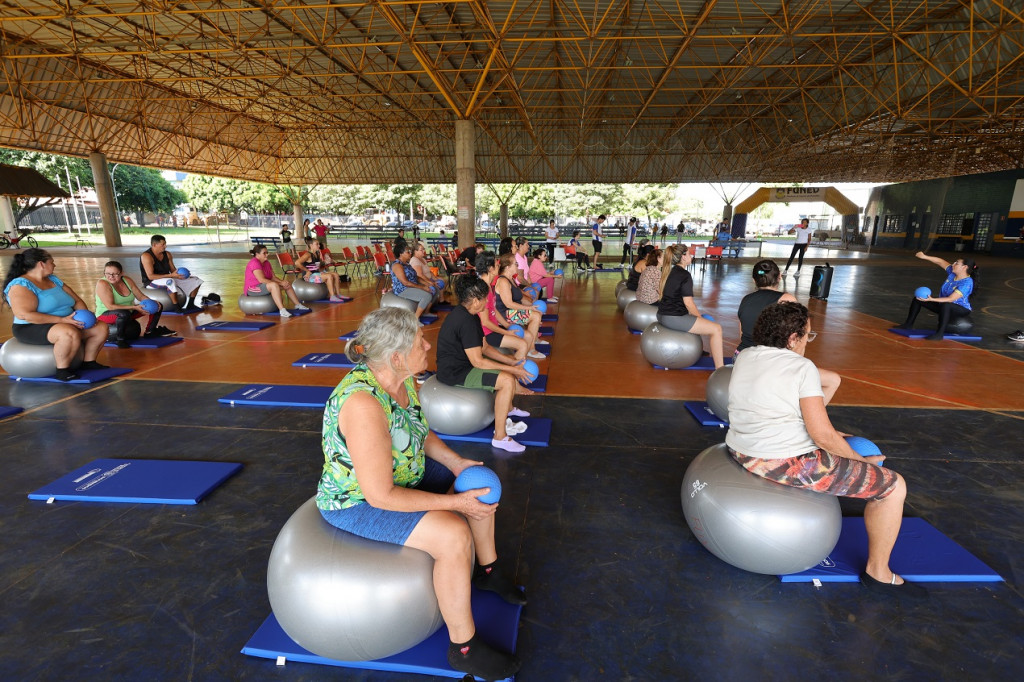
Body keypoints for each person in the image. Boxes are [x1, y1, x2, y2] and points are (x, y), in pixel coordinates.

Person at [316, 308, 524, 681]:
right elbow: (380, 495)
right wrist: (454, 504)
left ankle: (488, 571)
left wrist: (458, 463)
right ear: (395, 357)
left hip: (402, 473)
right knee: (453, 533)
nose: (428, 345)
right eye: (419, 342)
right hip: (358, 501)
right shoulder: (363, 404)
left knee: (478, 478)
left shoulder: (403, 379)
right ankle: (463, 648)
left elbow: (419, 432)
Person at [726, 301, 925, 598]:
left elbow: (779, 405)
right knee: (894, 487)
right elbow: (822, 436)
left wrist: (837, 441)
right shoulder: (801, 367)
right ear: (793, 338)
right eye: (808, 335)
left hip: (742, 448)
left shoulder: (747, 355)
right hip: (781, 461)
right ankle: (879, 574)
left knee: (839, 440)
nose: (809, 341)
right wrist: (865, 465)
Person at [437, 275, 536, 453]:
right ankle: (500, 437)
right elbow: (478, 361)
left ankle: (508, 408)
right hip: (456, 372)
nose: (487, 301)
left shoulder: (470, 314)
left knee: (506, 373)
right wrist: (512, 369)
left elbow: (484, 348)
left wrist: (512, 361)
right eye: (484, 298)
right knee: (506, 380)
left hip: (466, 364)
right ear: (475, 300)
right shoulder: (465, 320)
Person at [3, 248, 110, 381]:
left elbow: (76, 300)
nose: (54, 265)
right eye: (51, 262)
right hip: (31, 326)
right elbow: (25, 315)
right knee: (68, 332)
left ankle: (88, 362)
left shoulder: (53, 280)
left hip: (65, 321)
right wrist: (62, 320)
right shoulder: (21, 285)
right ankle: (63, 370)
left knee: (100, 327)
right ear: (41, 264)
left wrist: (85, 316)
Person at [656, 245, 725, 368]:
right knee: (716, 329)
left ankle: (698, 350)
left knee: (694, 319)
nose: (691, 256)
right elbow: (688, 303)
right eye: (689, 254)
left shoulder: (668, 271)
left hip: (662, 315)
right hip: (673, 318)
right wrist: (700, 318)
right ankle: (720, 368)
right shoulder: (684, 275)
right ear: (683, 257)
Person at [897, 251, 978, 340]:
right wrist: (924, 257)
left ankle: (939, 334)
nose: (953, 264)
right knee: (918, 299)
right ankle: (908, 324)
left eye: (956, 263)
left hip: (961, 309)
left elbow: (951, 299)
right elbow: (940, 261)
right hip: (944, 306)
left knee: (946, 305)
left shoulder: (967, 282)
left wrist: (932, 299)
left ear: (964, 267)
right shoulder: (952, 272)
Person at [95, 260, 175, 347]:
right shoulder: (103, 283)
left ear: (121, 273)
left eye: (115, 274)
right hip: (105, 315)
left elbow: (140, 296)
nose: (111, 277)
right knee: (123, 314)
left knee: (156, 306)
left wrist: (151, 301)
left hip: (128, 312)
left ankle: (150, 331)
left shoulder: (127, 280)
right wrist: (134, 307)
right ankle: (120, 339)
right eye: (107, 274)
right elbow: (110, 306)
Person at [476, 251, 529, 362]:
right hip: (486, 334)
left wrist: (506, 325)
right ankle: (517, 372)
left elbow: (493, 308)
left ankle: (516, 365)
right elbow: (485, 322)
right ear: (490, 268)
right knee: (522, 344)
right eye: (497, 264)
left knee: (525, 337)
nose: (499, 266)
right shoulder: (483, 290)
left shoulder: (489, 286)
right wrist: (506, 332)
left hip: (494, 328)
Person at [736, 260, 797, 353]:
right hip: (769, 359)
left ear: (754, 280)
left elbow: (742, 334)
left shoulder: (746, 299)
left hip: (741, 356)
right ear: (779, 276)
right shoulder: (787, 299)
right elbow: (794, 337)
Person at [494, 253, 546, 360]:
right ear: (508, 267)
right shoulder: (503, 281)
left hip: (512, 311)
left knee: (536, 315)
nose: (517, 266)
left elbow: (520, 298)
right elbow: (509, 304)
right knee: (535, 316)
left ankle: (531, 343)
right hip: (505, 314)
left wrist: (532, 306)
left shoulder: (511, 279)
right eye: (515, 264)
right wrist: (530, 309)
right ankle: (531, 349)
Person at [140, 235, 204, 312]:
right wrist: (171, 276)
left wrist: (182, 275)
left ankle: (190, 304)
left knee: (196, 280)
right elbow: (150, 276)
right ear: (154, 245)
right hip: (151, 282)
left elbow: (173, 270)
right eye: (162, 244)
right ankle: (176, 307)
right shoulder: (146, 256)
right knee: (170, 281)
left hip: (168, 277)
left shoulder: (167, 254)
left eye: (165, 244)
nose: (165, 246)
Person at [243, 245, 307, 317]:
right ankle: (282, 310)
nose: (267, 254)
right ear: (257, 254)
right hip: (253, 288)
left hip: (264, 285)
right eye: (264, 253)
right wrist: (278, 283)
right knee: (274, 285)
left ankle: (297, 305)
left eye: (267, 252)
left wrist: (282, 282)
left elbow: (273, 277)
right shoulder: (254, 263)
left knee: (287, 284)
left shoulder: (267, 263)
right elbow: (261, 279)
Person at [391, 242, 437, 317]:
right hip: (403, 289)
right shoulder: (397, 265)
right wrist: (423, 287)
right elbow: (405, 283)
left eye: (410, 251)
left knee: (434, 289)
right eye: (407, 252)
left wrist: (427, 283)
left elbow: (416, 277)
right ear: (401, 254)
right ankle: (415, 318)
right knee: (427, 296)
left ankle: (425, 312)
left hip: (411, 286)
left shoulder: (407, 264)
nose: (410, 253)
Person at [296, 238, 348, 302]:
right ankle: (332, 296)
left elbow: (317, 267)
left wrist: (325, 266)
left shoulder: (317, 253)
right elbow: (297, 263)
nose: (319, 245)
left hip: (316, 273)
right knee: (329, 276)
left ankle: (338, 294)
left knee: (335, 274)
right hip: (309, 276)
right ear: (311, 245)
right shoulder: (308, 254)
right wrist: (307, 271)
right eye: (317, 244)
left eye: (319, 244)